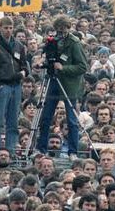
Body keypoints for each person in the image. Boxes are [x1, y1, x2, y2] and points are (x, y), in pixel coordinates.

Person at [36, 15, 87, 158]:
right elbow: (49, 58)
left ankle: (73, 151)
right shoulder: (53, 41)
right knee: (46, 116)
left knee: (71, 120)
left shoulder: (74, 43)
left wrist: (64, 68)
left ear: (68, 28)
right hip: (53, 82)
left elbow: (82, 66)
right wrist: (42, 63)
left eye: (63, 29)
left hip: (69, 86)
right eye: (58, 30)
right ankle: (41, 148)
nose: (61, 32)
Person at [0, 16, 29, 157]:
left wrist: (23, 73)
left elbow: (24, 65)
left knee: (13, 121)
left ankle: (11, 152)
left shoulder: (19, 46)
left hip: (16, 86)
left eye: (10, 28)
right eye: (5, 28)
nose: (8, 31)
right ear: (0, 28)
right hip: (3, 86)